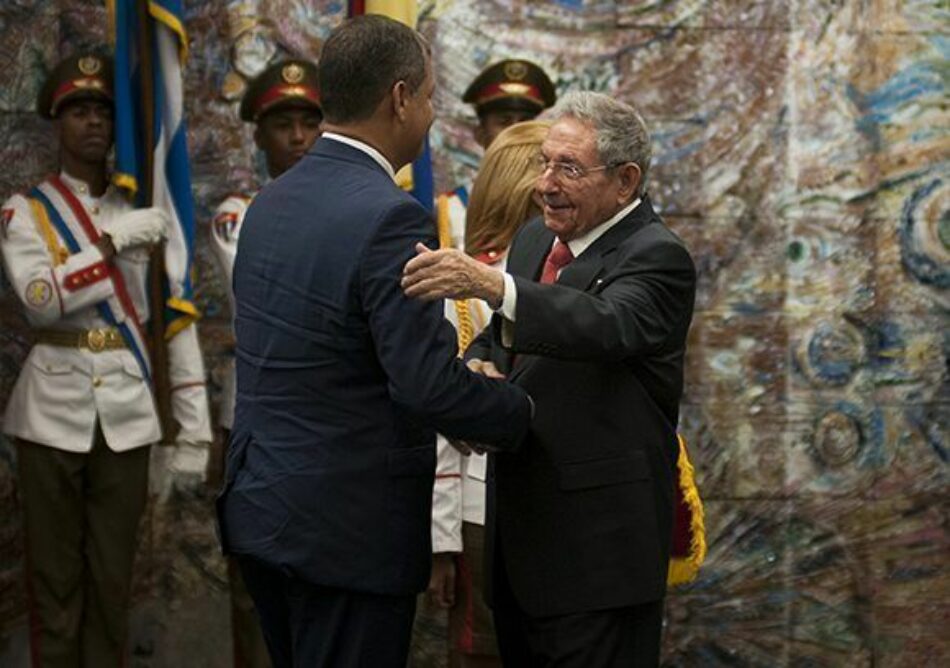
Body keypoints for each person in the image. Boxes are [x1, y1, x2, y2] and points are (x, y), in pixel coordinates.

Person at [215, 16, 533, 668]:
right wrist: (522, 413)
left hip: (264, 512)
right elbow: (423, 382)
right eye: (429, 97)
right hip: (346, 533)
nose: (431, 115)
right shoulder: (390, 216)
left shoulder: (270, 203)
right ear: (398, 98)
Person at [402, 90, 697, 666]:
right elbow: (503, 338)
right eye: (544, 164)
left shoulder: (657, 256)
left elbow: (603, 325)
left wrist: (490, 285)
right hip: (520, 551)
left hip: (598, 562)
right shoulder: (537, 238)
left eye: (567, 168)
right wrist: (478, 373)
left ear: (625, 180)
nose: (544, 184)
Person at [0, 52, 212, 667]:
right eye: (78, 110)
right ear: (56, 121)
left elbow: (172, 320)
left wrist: (191, 428)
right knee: (55, 585)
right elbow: (41, 301)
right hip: (48, 414)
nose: (93, 122)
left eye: (102, 111)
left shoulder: (144, 208)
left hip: (125, 411)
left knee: (114, 582)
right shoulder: (25, 212)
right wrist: (112, 243)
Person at [208, 57, 322, 668]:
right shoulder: (237, 215)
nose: (299, 137)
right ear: (258, 134)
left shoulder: (350, 206)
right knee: (257, 583)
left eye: (310, 122)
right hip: (255, 416)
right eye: (284, 125)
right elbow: (272, 295)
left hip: (331, 421)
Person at [427, 120, 550, 668]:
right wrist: (442, 538)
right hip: (481, 510)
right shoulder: (469, 291)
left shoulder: (565, 279)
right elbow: (442, 431)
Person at [437, 59, 556, 253]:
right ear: (480, 133)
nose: (517, 131)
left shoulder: (553, 200)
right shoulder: (450, 209)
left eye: (526, 122)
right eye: (504, 121)